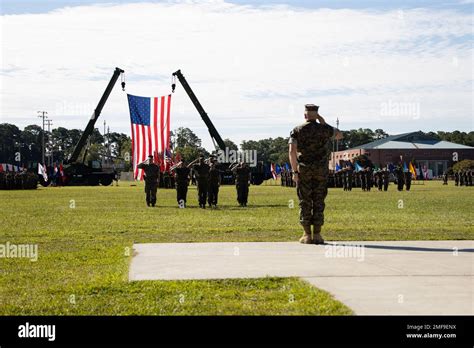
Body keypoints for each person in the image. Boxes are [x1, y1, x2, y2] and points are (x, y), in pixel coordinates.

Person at [289, 104, 343, 244]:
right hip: (321, 170)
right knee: (319, 200)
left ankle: (307, 234)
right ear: (317, 115)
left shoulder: (297, 130)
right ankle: (318, 234)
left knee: (305, 201)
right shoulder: (325, 129)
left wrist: (295, 171)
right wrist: (323, 122)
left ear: (305, 115)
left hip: (304, 170)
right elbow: (339, 135)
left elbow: (291, 151)